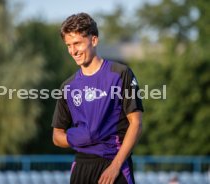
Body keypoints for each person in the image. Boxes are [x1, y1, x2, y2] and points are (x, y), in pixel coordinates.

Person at [52, 12, 143, 184]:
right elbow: (57, 136)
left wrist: (115, 166)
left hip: (114, 165)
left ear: (94, 40)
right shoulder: (68, 86)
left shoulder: (120, 74)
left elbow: (136, 123)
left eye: (77, 43)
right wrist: (81, 137)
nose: (73, 51)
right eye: (68, 45)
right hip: (81, 167)